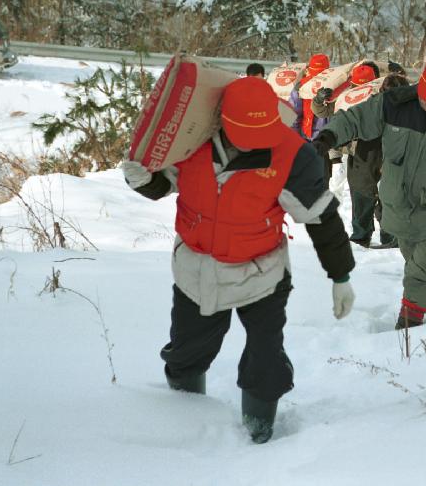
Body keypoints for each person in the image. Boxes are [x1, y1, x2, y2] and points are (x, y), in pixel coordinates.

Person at [120, 77, 356, 444]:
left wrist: (340, 275)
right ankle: (182, 425)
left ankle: (259, 431)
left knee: (265, 359)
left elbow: (321, 217)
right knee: (185, 353)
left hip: (261, 273)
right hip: (196, 272)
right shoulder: (191, 139)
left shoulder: (294, 155)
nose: (256, 141)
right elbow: (164, 183)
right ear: (224, 122)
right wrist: (142, 181)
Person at [313, 54, 426, 329]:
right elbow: (355, 119)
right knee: (416, 260)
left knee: (420, 267)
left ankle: (410, 319)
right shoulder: (394, 105)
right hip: (398, 204)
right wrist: (328, 137)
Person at [312, 63, 399, 249]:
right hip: (358, 150)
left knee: (384, 193)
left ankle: (387, 235)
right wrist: (318, 100)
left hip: (383, 148)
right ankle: (364, 235)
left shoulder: (382, 91)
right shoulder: (348, 97)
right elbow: (326, 113)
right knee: (363, 193)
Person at [290, 53, 333, 180]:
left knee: (321, 180)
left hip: (322, 142)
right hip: (307, 141)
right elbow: (293, 117)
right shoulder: (300, 87)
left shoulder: (333, 87)